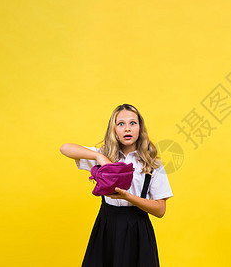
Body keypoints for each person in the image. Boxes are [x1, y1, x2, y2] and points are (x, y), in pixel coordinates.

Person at [60, 103, 173, 267]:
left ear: (140, 129)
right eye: (121, 124)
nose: (127, 129)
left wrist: (129, 197)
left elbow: (160, 210)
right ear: (114, 130)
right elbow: (65, 148)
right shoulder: (104, 155)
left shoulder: (152, 163)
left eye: (132, 123)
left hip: (137, 228)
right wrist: (99, 158)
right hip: (107, 226)